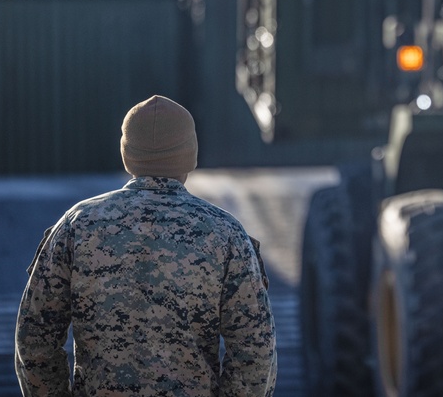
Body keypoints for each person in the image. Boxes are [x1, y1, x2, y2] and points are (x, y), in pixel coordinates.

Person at [14, 95, 277, 396]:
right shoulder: (227, 234)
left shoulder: (76, 226)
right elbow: (255, 352)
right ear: (189, 154)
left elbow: (35, 339)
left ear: (128, 154)